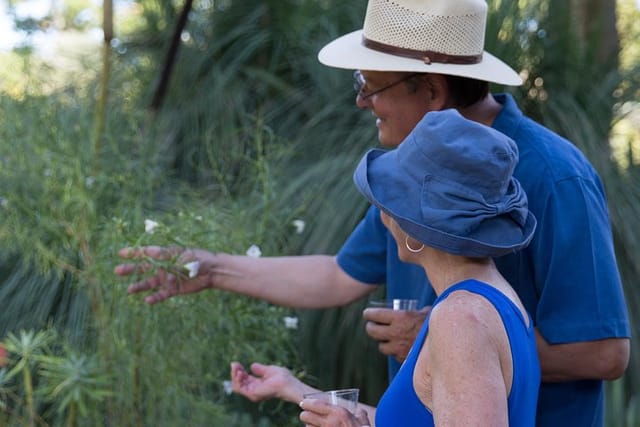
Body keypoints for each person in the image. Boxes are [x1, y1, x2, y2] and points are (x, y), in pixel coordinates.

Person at [114, 0, 630, 425]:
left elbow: (605, 353)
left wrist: (438, 341)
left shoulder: (556, 176)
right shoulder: (415, 174)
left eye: (369, 84)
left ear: (431, 91)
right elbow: (340, 275)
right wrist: (211, 268)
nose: (362, 102)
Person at [231, 109, 541, 427]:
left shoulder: (460, 319)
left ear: (417, 232)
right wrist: (294, 389)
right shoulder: (496, 298)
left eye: (390, 204)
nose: (382, 217)